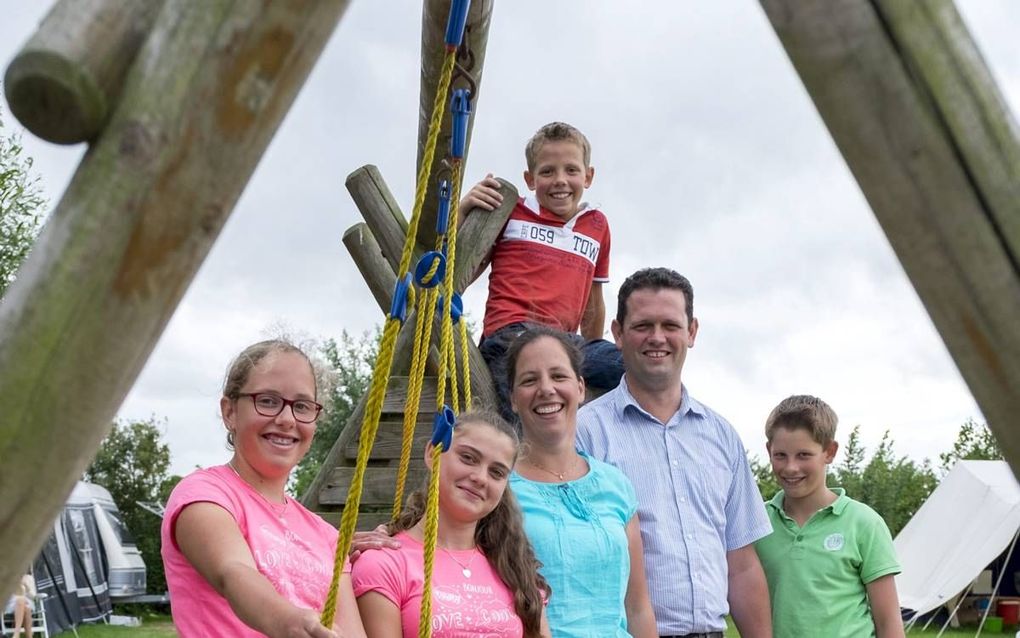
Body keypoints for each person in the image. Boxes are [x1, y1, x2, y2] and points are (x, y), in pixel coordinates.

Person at [576, 267, 773, 638]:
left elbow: (742, 565)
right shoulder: (585, 434)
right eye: (642, 325)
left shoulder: (721, 437)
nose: (657, 337)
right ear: (617, 333)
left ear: (692, 332)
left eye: (670, 325)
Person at [161, 339, 366, 638]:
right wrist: (291, 624)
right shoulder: (204, 495)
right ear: (230, 411)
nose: (286, 419)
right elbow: (234, 572)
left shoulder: (327, 537)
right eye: (268, 401)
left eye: (302, 406)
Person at [459, 121, 624, 421]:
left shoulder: (597, 225)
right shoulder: (510, 211)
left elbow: (593, 300)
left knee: (630, 365)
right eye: (547, 171)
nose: (560, 180)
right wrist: (461, 214)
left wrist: (591, 349)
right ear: (530, 178)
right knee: (525, 412)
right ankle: (518, 460)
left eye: (571, 170)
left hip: (564, 343)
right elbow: (459, 276)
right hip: (511, 335)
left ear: (588, 176)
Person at [506, 326, 657, 637]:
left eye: (558, 376)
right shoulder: (498, 490)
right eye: (529, 380)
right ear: (512, 399)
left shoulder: (616, 486)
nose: (546, 388)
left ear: (580, 388)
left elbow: (637, 607)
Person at [350, 409, 551, 638]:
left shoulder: (515, 569)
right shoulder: (385, 563)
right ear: (431, 453)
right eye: (468, 458)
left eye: (496, 472)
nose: (480, 478)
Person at [755, 395, 905, 638]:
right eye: (780, 455)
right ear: (768, 451)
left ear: (830, 452)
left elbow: (889, 622)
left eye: (804, 455)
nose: (791, 467)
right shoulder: (755, 523)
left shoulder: (864, 523)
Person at [5, 571, 36, 638]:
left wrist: (26, 586)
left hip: (27, 602)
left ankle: (16, 634)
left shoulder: (29, 578)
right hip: (12, 604)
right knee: (23, 603)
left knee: (25, 605)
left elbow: (33, 596)